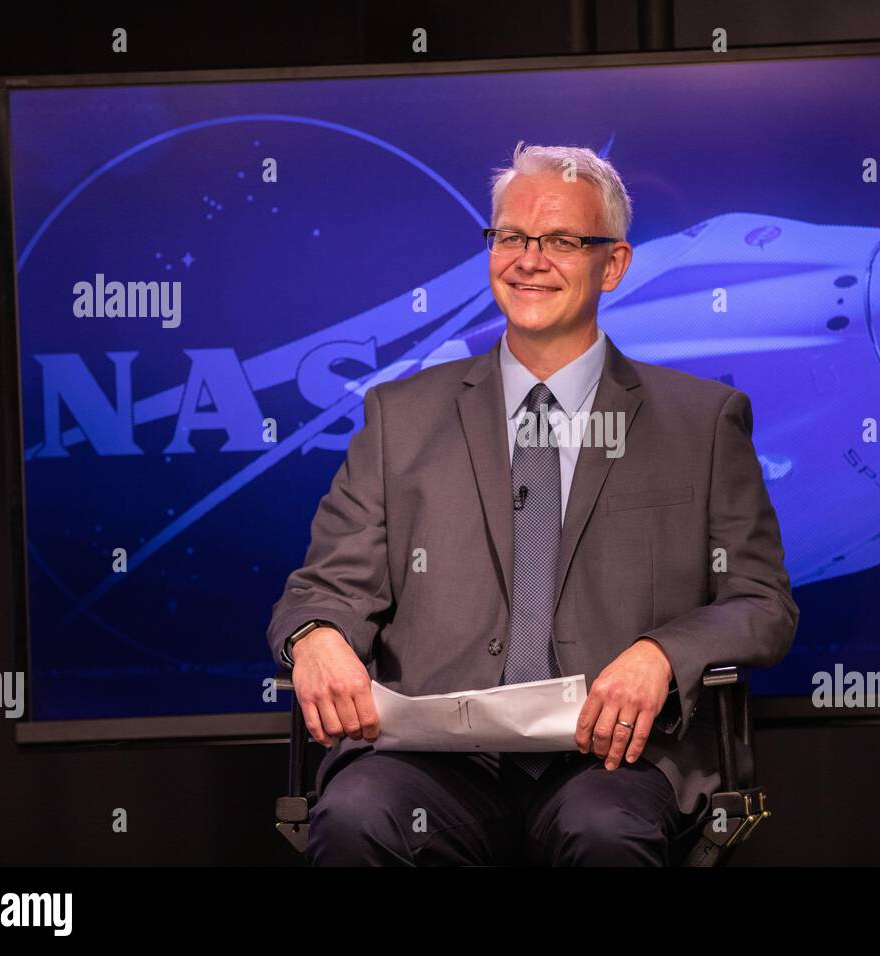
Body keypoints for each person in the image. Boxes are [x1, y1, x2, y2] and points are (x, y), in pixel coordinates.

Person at [267, 141, 799, 865]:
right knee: (359, 814)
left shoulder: (701, 422)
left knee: (602, 832)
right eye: (511, 237)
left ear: (613, 264)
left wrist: (663, 654)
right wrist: (316, 637)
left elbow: (761, 602)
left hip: (611, 760)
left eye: (560, 241)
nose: (528, 259)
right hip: (433, 763)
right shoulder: (402, 416)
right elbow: (322, 590)